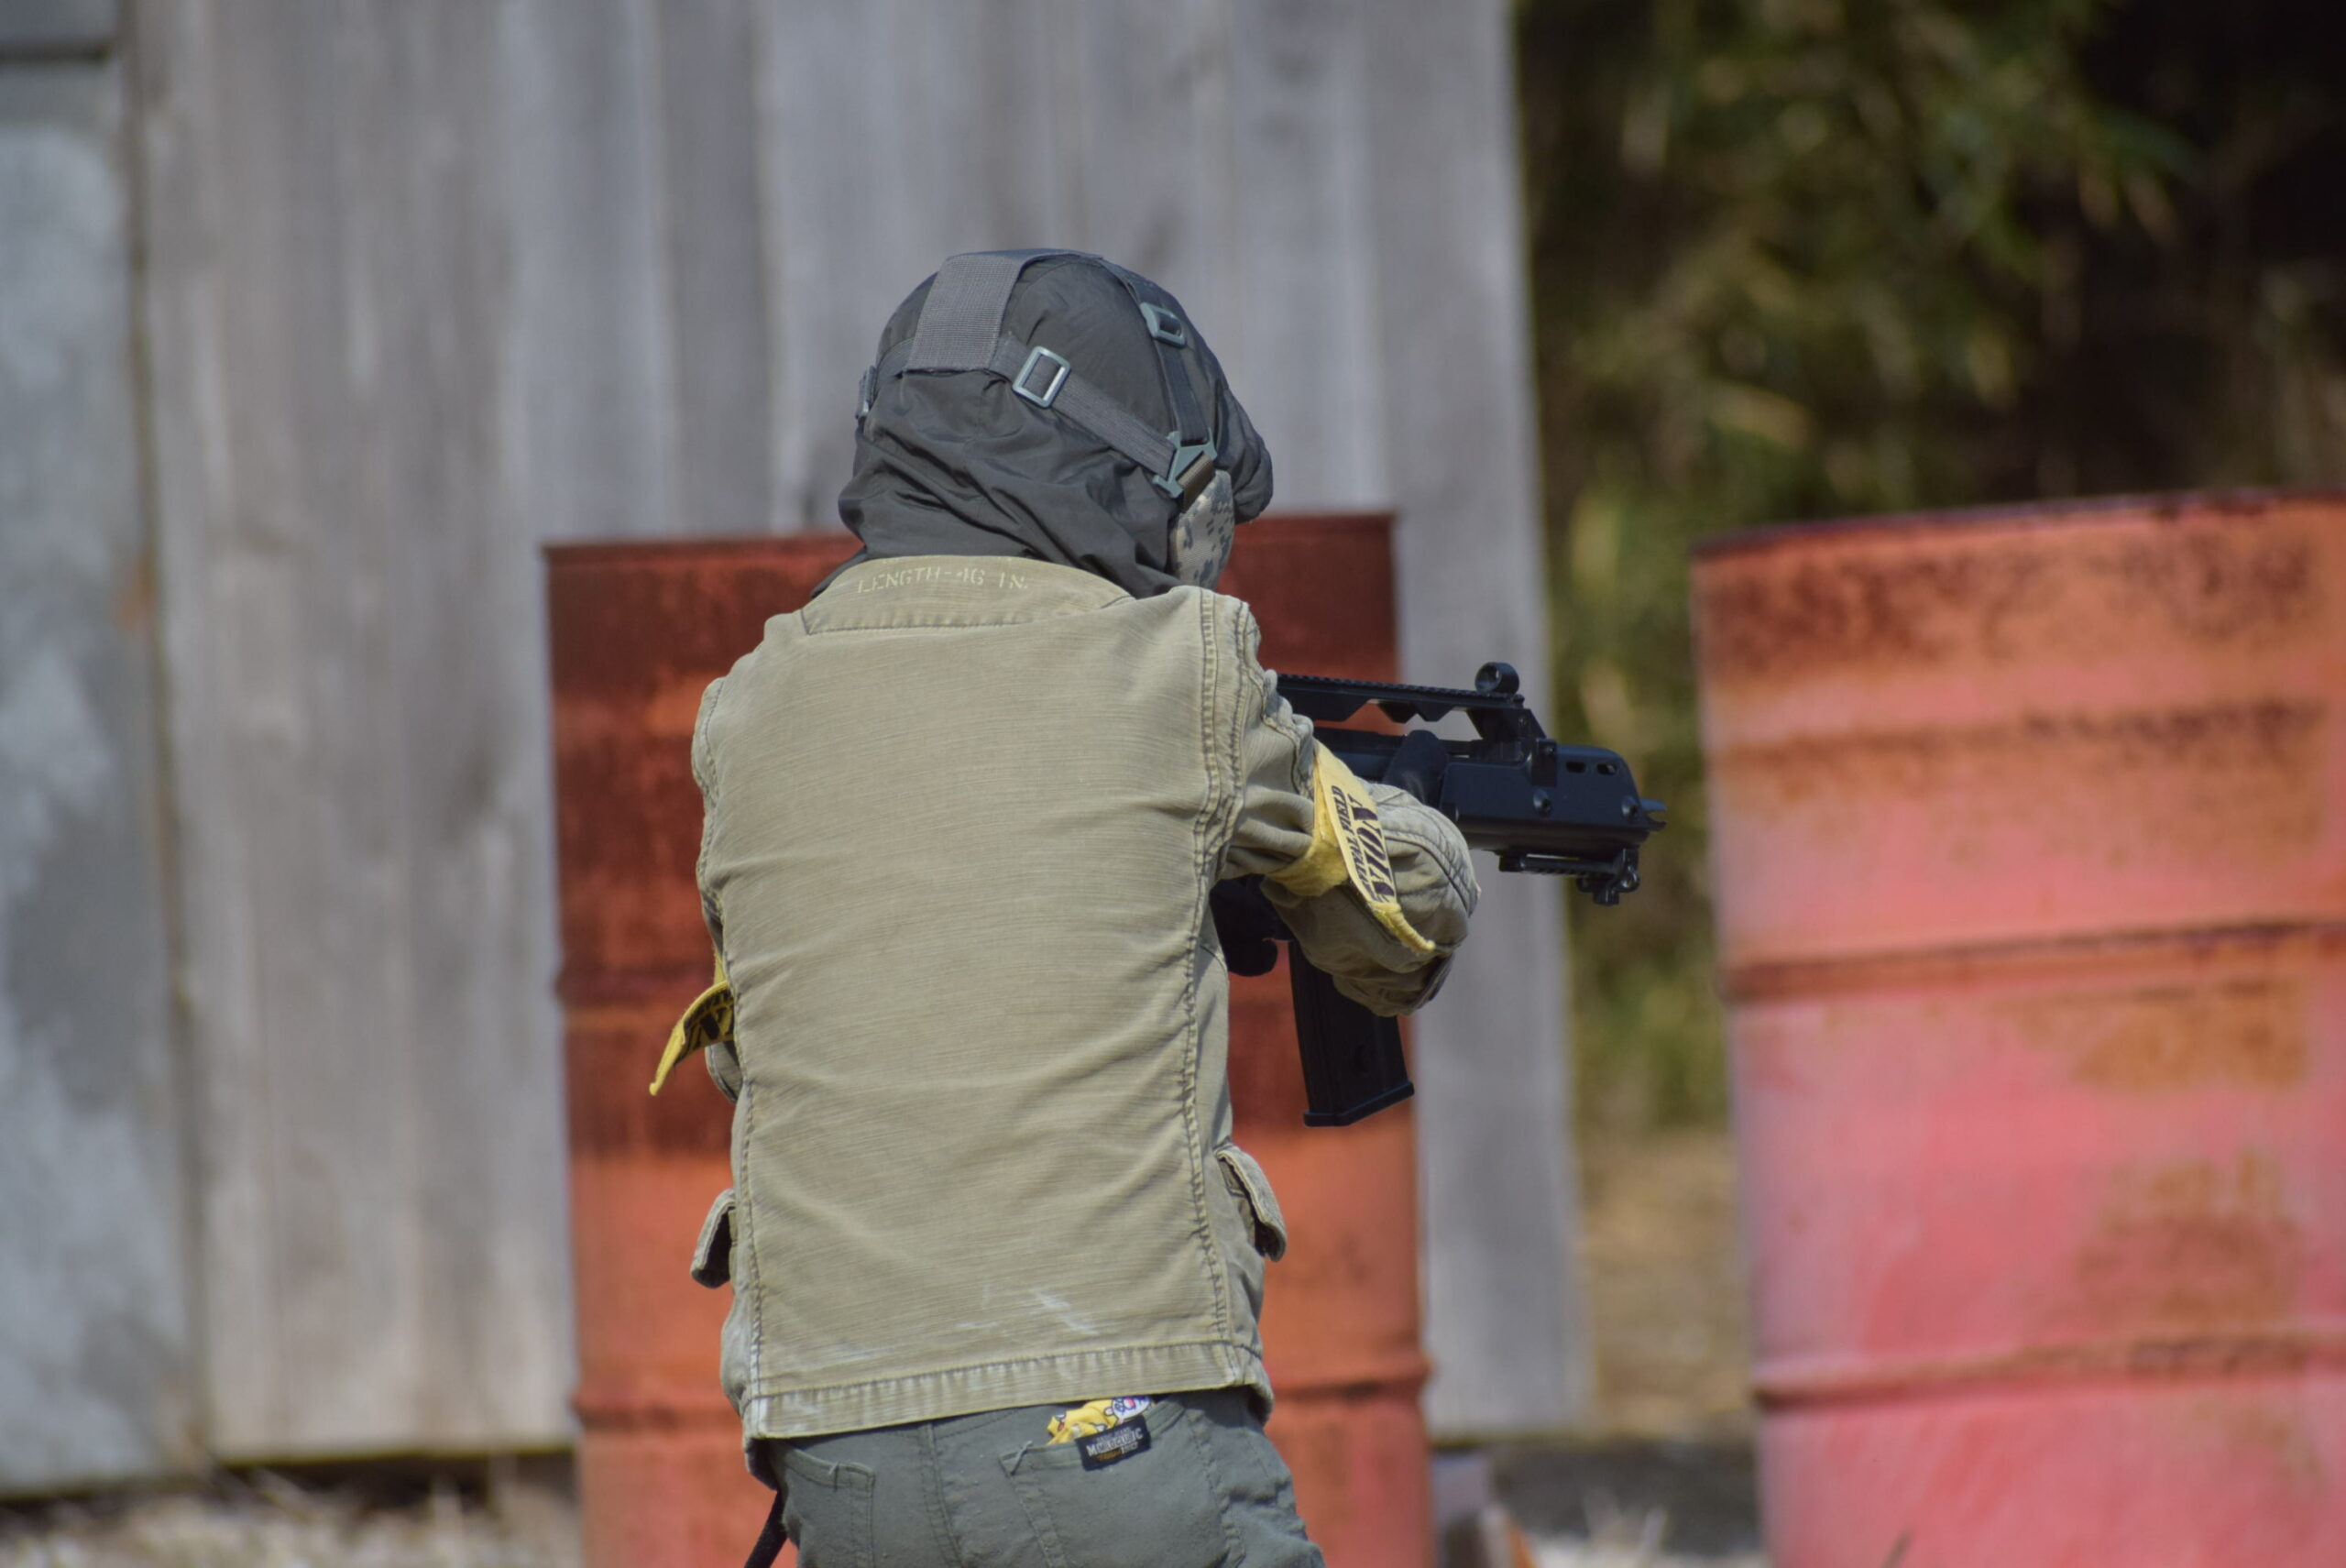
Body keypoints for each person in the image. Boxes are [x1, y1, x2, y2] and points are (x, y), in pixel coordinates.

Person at [654, 250, 1477, 1568]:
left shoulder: (749, 704)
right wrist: (1410, 809)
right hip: (1114, 1424)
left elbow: (756, 1053)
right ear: (1129, 474)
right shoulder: (1182, 668)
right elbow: (1403, 925)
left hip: (834, 1451)